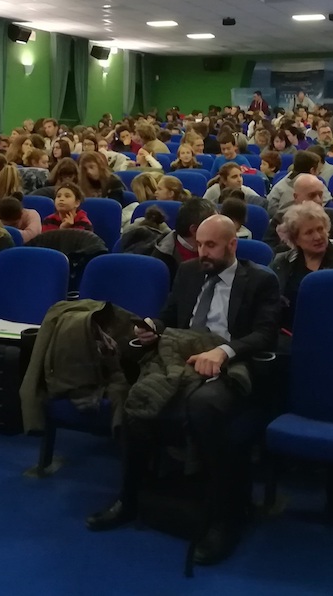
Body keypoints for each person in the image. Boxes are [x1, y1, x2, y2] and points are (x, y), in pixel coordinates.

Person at [87, 215, 281, 566]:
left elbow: (265, 335)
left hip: (231, 359)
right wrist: (152, 326)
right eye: (199, 245)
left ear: (232, 245)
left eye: (212, 246)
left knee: (205, 406)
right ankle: (129, 498)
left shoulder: (261, 280)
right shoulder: (189, 272)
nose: (203, 253)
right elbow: (170, 315)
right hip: (182, 354)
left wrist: (222, 352)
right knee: (138, 396)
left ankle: (222, 517)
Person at [270, 202, 333, 335]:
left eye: (320, 229)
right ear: (295, 239)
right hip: (291, 336)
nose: (318, 237)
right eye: (309, 233)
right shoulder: (282, 263)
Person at [144, 196, 217, 282]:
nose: (221, 228)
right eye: (214, 225)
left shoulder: (224, 246)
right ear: (194, 230)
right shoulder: (164, 259)